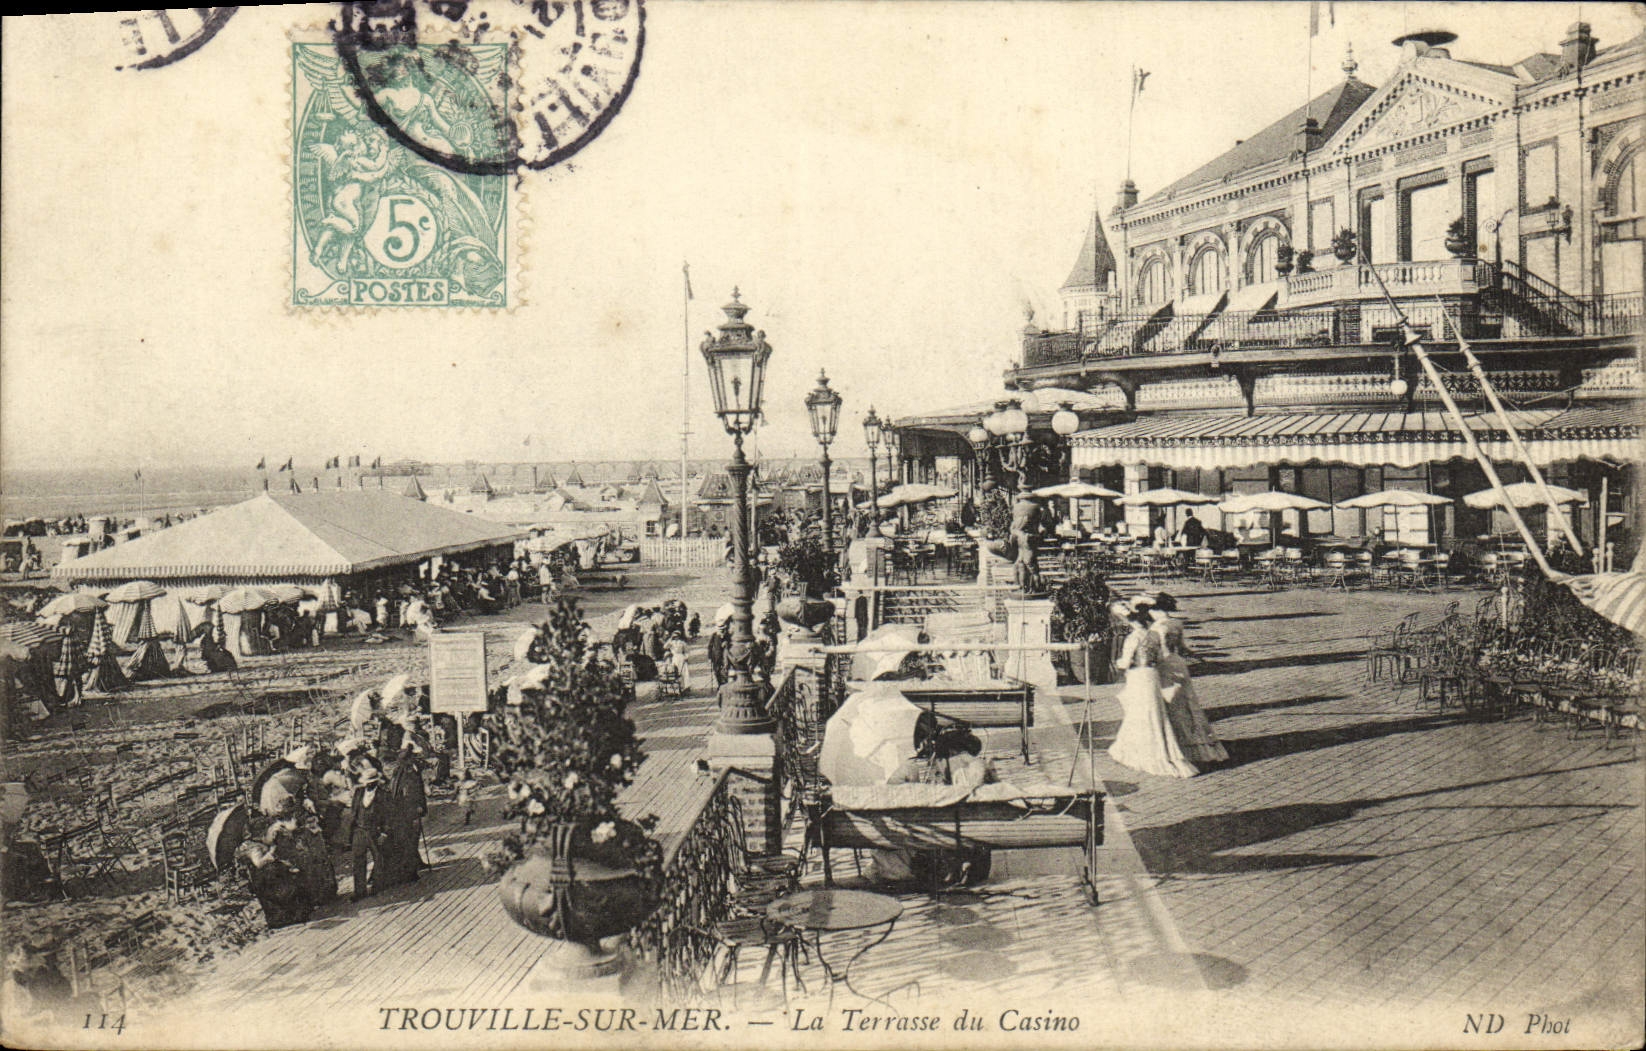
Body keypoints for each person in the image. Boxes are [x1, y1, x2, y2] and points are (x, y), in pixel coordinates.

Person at [1107, 600, 1198, 778]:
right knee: (1155, 712)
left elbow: (1125, 663)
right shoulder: (1154, 634)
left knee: (1139, 713)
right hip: (1153, 675)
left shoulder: (1132, 638)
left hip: (1138, 677)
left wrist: (1118, 663)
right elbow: (1160, 658)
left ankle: (1140, 752)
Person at [1150, 593, 1227, 765]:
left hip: (1166, 666)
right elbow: (1182, 647)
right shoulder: (1177, 623)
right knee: (1187, 703)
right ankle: (1196, 741)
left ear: (1157, 610)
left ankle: (1177, 745)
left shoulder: (1157, 627)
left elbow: (1160, 651)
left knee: (1170, 705)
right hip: (1179, 663)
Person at [345, 761, 390, 901]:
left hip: (375, 830)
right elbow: (354, 811)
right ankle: (360, 890)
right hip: (359, 830)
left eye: (370, 782)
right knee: (358, 860)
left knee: (379, 858)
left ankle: (377, 886)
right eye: (366, 782)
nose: (367, 785)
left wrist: (384, 833)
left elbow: (389, 816)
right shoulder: (358, 793)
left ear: (376, 782)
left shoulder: (383, 795)